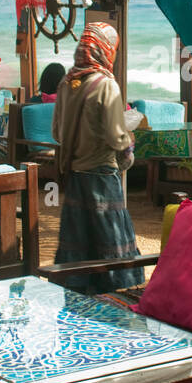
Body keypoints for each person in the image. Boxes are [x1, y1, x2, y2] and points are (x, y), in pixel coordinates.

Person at [52, 22, 141, 293]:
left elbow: (57, 132)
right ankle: (116, 303)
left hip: (75, 177)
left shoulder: (67, 82)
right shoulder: (106, 86)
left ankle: (77, 299)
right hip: (102, 178)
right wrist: (130, 143)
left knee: (78, 244)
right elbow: (116, 137)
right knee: (111, 242)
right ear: (105, 50)